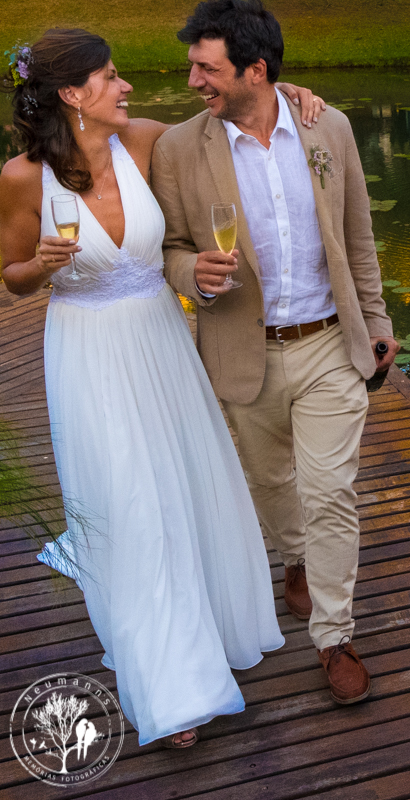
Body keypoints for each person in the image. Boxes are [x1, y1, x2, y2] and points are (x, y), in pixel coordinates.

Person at [0, 28, 325, 749]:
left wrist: (292, 93)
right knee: (128, 503)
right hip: (86, 352)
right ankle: (172, 682)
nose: (127, 88)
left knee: (181, 485)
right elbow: (12, 277)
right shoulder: (22, 179)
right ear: (71, 93)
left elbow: (237, 114)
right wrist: (43, 265)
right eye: (112, 77)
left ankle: (208, 626)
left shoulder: (146, 142)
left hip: (161, 342)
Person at [152, 0, 398, 706]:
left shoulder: (331, 130)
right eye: (193, 65)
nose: (194, 79)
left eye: (207, 67)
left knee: (330, 491)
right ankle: (293, 556)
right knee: (271, 483)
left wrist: (376, 321)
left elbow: (357, 238)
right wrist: (187, 273)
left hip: (327, 343)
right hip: (240, 349)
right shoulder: (176, 149)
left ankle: (334, 635)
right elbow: (167, 246)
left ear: (256, 70)